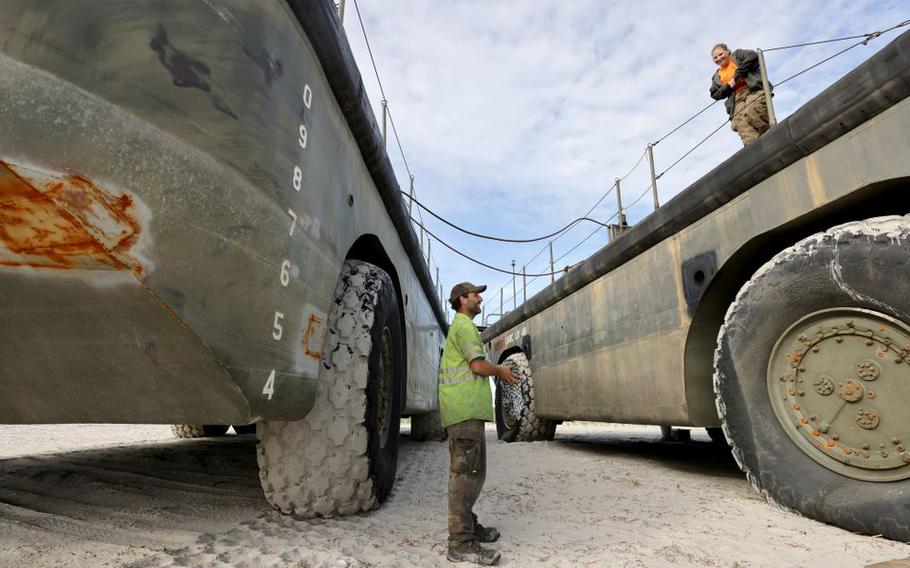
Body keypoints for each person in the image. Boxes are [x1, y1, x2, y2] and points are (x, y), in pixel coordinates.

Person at [439, 282, 518, 566]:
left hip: (465, 411)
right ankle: (459, 542)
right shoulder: (464, 327)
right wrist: (500, 371)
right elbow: (477, 366)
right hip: (463, 412)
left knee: (473, 472)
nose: (480, 297)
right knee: (465, 475)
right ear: (463, 300)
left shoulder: (461, 327)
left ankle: (469, 527)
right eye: (476, 294)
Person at [710, 43, 771, 145]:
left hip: (752, 90)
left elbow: (753, 56)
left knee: (754, 108)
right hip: (736, 99)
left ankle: (768, 134)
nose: (719, 58)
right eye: (715, 57)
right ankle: (753, 146)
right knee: (740, 122)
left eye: (721, 54)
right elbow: (714, 94)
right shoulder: (716, 76)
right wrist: (727, 86)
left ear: (728, 52)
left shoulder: (737, 55)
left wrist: (737, 75)